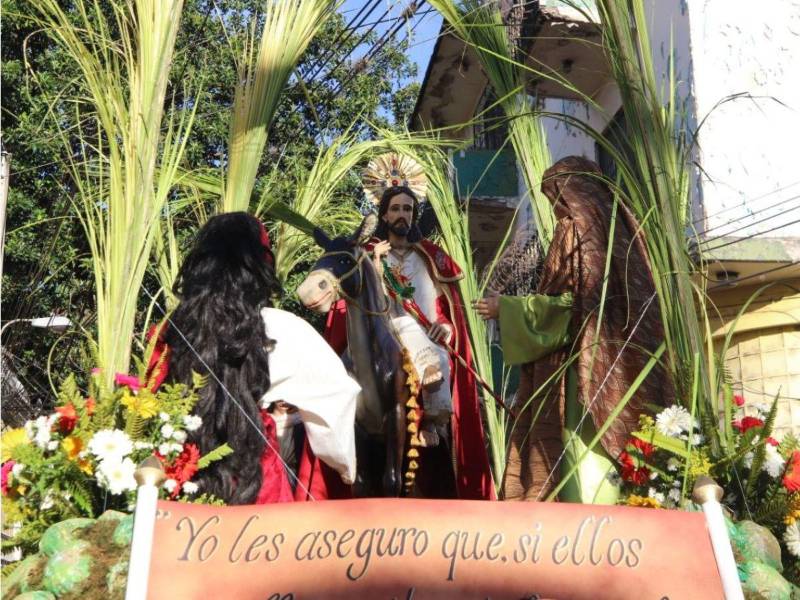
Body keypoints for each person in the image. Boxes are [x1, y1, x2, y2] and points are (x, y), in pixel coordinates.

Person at [474, 156, 673, 502]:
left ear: (569, 192)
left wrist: (505, 310)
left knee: (580, 455)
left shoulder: (573, 230)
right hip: (625, 366)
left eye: (554, 199)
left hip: (582, 367)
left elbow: (570, 308)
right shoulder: (624, 230)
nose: (554, 210)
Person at [149, 212, 360, 504]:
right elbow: (337, 396)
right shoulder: (280, 327)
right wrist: (344, 466)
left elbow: (151, 395)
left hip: (176, 476)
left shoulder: (168, 331)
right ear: (260, 264)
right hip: (252, 480)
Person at [327, 185, 494, 500]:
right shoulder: (370, 254)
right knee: (345, 373)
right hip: (380, 334)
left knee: (439, 359)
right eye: (395, 209)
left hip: (424, 337)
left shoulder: (430, 257)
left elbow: (445, 312)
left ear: (414, 214)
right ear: (384, 214)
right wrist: (374, 265)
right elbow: (354, 298)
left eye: (407, 209)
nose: (401, 215)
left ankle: (434, 420)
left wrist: (445, 328)